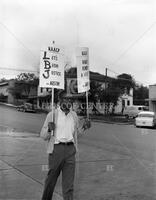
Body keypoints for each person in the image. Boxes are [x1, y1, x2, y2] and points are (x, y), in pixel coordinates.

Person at [40, 91, 91, 200]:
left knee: (69, 184)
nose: (69, 102)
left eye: (70, 100)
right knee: (51, 181)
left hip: (70, 151)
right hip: (56, 150)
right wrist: (49, 129)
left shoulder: (74, 116)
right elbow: (43, 135)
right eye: (66, 99)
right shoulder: (52, 115)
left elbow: (76, 135)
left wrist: (84, 127)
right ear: (60, 101)